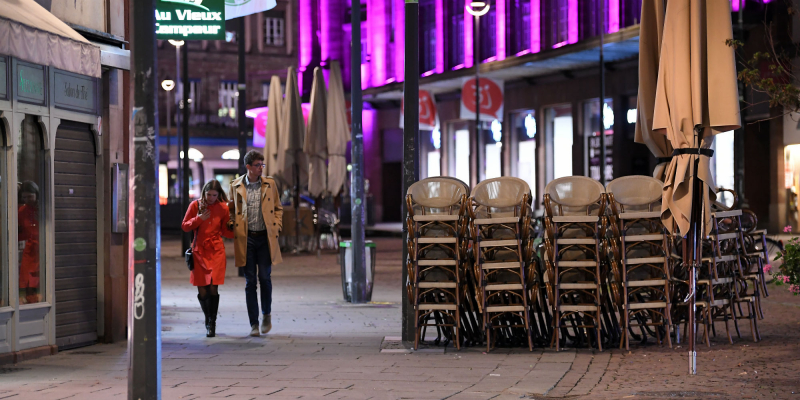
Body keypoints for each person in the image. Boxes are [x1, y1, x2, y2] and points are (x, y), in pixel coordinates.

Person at [228, 150, 283, 336]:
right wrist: (231, 224)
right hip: (246, 239)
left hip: (265, 237)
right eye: (258, 165)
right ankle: (254, 324)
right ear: (248, 167)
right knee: (250, 281)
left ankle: (266, 314)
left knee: (265, 278)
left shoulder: (270, 184)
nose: (261, 168)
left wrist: (277, 226)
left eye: (262, 165)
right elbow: (230, 209)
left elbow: (278, 208)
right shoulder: (235, 186)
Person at [182, 180, 234, 337]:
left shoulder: (223, 208)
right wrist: (199, 219)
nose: (211, 198)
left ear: (219, 195)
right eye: (209, 195)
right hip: (199, 251)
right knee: (202, 289)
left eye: (215, 195)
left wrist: (236, 228)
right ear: (204, 192)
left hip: (216, 251)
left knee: (213, 287)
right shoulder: (195, 206)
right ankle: (207, 316)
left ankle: (212, 322)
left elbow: (225, 231)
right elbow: (185, 226)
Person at [18, 181, 40, 305]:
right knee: (26, 281)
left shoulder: (42, 209)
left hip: (42, 250)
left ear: (36, 194)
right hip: (30, 250)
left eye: (30, 197)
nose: (27, 200)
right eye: (24, 197)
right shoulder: (22, 211)